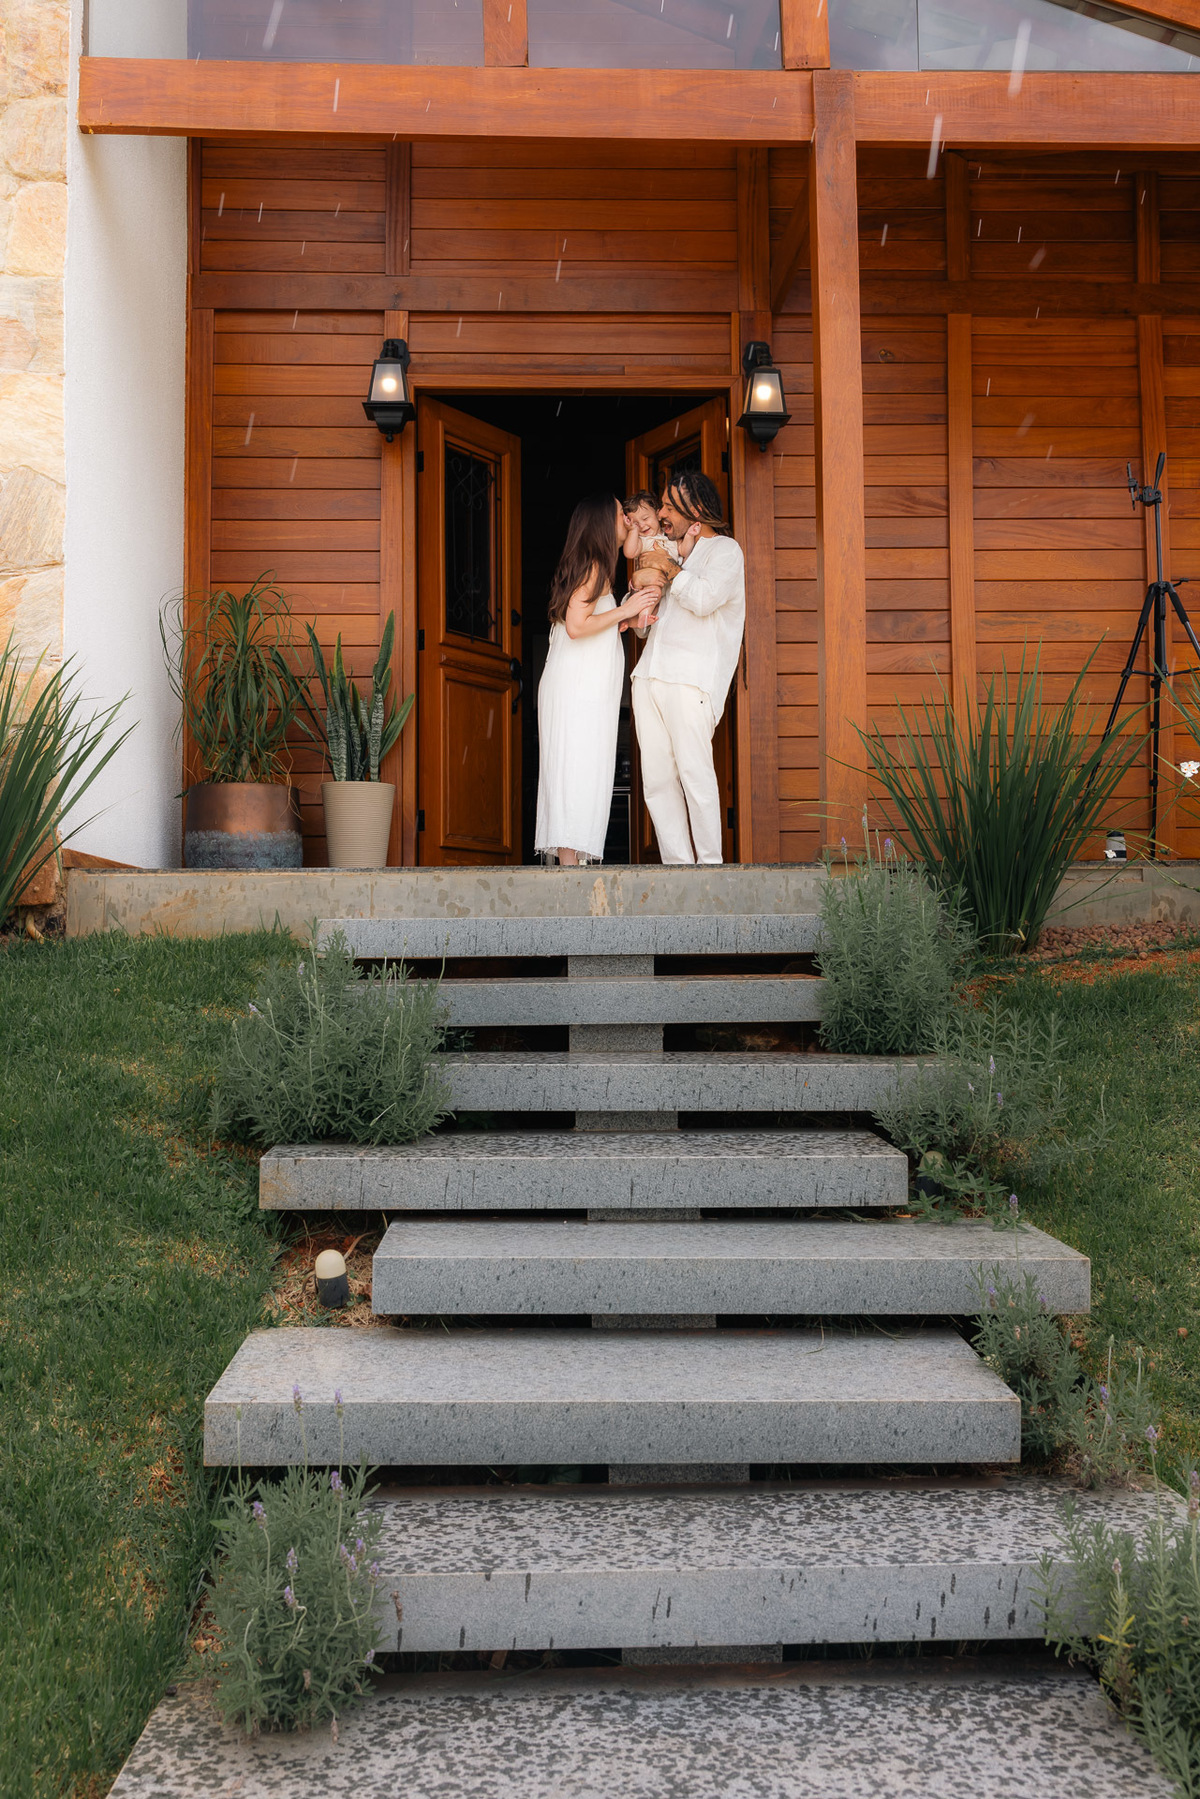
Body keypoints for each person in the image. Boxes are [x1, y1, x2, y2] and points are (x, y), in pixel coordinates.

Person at [630, 469, 745, 866]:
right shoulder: (672, 554)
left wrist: (671, 569)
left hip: (692, 682)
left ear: (693, 510)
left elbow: (705, 598)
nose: (660, 513)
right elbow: (646, 632)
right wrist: (641, 610)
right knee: (658, 781)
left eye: (666, 506)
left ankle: (710, 869)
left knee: (696, 776)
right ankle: (677, 869)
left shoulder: (726, 552)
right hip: (649, 677)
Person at [534, 493, 650, 867]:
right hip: (577, 691)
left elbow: (588, 625)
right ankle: (571, 868)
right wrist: (626, 608)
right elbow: (576, 626)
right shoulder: (595, 567)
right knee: (578, 768)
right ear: (603, 521)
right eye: (621, 513)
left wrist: (622, 620)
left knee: (583, 768)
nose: (628, 519)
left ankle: (574, 864)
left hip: (583, 688)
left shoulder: (596, 566)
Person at [622, 489, 681, 631]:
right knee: (653, 593)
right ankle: (642, 617)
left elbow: (684, 549)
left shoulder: (670, 536)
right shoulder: (643, 541)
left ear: (657, 513)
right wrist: (633, 532)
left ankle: (629, 621)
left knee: (656, 597)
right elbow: (629, 553)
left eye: (645, 518)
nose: (641, 525)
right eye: (635, 523)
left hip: (669, 587)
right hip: (650, 583)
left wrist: (691, 536)